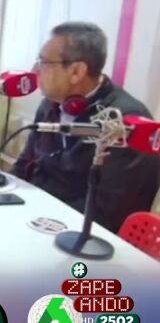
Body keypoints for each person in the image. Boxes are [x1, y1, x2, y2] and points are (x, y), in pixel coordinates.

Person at [13, 22, 159, 233]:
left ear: (76, 71)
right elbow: (24, 165)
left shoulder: (124, 124)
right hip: (33, 216)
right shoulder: (51, 104)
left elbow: (109, 214)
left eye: (43, 62)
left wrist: (36, 217)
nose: (35, 70)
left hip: (77, 234)